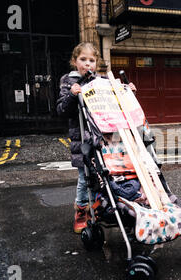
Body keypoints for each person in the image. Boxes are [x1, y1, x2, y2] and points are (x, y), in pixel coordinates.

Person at [56, 42, 136, 234]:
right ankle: (81, 211)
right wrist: (72, 95)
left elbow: (115, 102)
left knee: (101, 175)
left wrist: (126, 91)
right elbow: (61, 110)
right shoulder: (68, 81)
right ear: (75, 61)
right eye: (83, 59)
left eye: (92, 60)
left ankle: (96, 207)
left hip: (101, 138)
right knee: (85, 178)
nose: (88, 64)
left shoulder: (101, 81)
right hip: (82, 140)